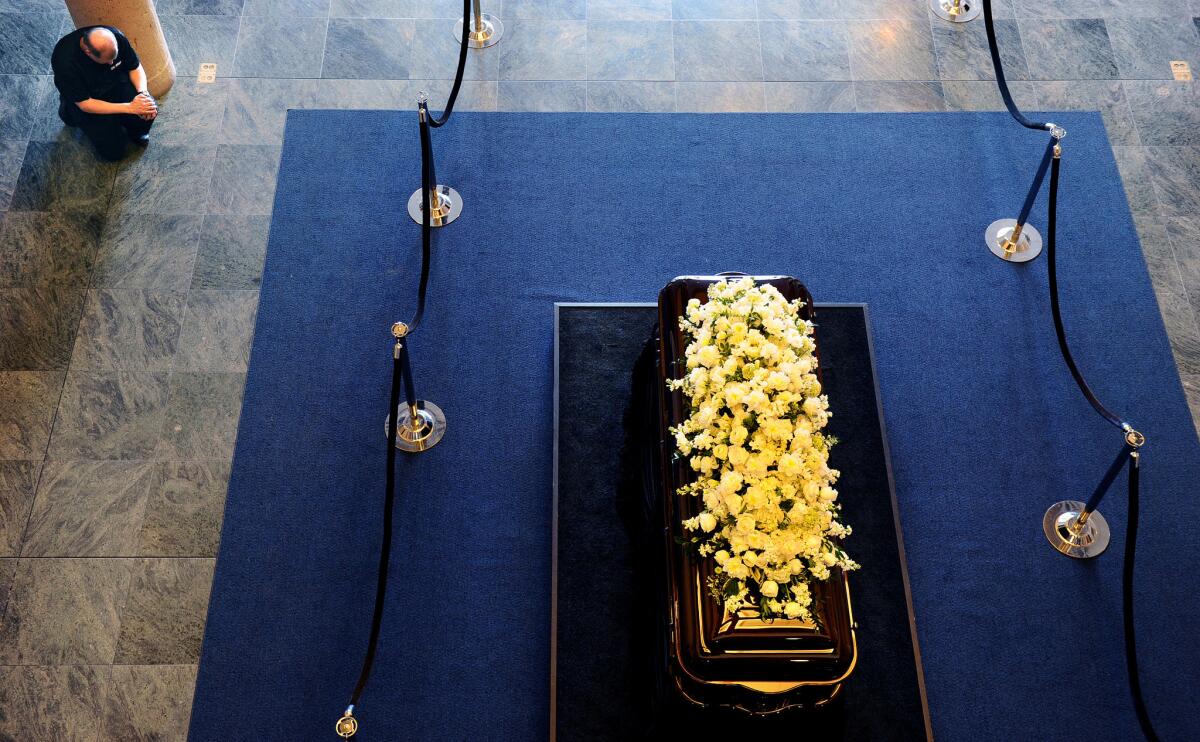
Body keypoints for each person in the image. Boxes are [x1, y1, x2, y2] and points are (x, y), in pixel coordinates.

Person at [50, 25, 158, 161]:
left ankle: (138, 132)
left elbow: (134, 67)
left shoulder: (116, 36)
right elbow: (85, 104)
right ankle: (68, 112)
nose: (112, 62)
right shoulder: (65, 62)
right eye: (108, 60)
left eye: (114, 57)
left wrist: (143, 95)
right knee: (114, 154)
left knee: (149, 108)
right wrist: (130, 108)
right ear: (88, 52)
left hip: (116, 83)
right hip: (89, 98)